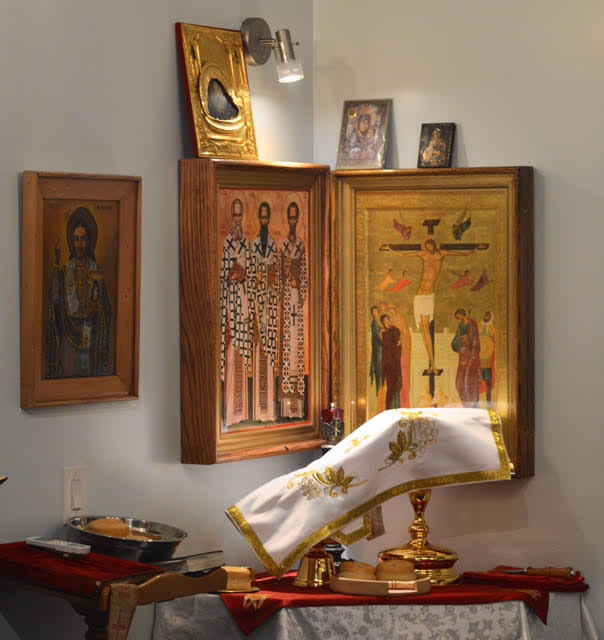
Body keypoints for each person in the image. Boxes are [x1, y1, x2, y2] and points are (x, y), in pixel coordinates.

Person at [386, 238, 487, 374]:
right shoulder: (423, 254)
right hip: (418, 296)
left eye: (430, 246)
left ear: (434, 245)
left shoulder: (441, 254)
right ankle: (432, 365)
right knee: (423, 330)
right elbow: (405, 254)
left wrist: (475, 248)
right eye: (427, 247)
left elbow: (461, 253)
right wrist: (391, 249)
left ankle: (433, 365)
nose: (429, 249)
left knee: (426, 330)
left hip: (428, 297)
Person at [46, 207, 112, 379]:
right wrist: (55, 289)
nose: (79, 244)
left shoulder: (96, 270)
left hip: (90, 334)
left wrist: (98, 307)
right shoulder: (64, 272)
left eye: (83, 239)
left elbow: (105, 308)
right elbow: (56, 305)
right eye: (76, 239)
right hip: (68, 337)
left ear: (89, 241)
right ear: (71, 242)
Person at [220, 198, 253, 425]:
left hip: (243, 302)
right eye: (235, 215)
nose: (237, 219)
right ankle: (231, 411)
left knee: (242, 355)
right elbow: (223, 275)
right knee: (231, 355)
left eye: (240, 215)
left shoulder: (247, 244)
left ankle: (242, 412)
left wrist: (242, 275)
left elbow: (251, 273)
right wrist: (231, 273)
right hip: (231, 304)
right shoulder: (226, 243)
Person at [250, 202, 280, 422]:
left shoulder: (273, 245)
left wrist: (270, 277)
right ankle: (258, 411)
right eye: (261, 218)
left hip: (270, 307)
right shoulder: (253, 245)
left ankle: (269, 410)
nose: (263, 221)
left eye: (266, 218)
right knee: (258, 353)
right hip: (256, 304)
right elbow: (250, 274)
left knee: (269, 357)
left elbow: (277, 276)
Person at [279, 202, 308, 418]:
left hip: (296, 302)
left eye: (295, 218)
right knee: (287, 349)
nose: (292, 221)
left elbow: (305, 274)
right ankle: (286, 409)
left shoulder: (301, 245)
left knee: (296, 349)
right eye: (289, 217)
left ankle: (297, 410)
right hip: (286, 302)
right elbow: (278, 276)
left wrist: (299, 285)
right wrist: (287, 278)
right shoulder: (282, 246)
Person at [451, 308, 481, 406]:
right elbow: (455, 341)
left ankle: (472, 405)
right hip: (462, 357)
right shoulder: (460, 326)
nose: (459, 318)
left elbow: (475, 340)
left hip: (471, 357)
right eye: (457, 317)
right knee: (459, 383)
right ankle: (466, 403)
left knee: (470, 382)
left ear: (462, 314)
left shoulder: (472, 324)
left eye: (459, 316)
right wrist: (458, 341)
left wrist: (472, 357)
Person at [380, 314, 402, 409]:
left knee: (398, 385)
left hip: (396, 362)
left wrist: (397, 343)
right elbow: (389, 344)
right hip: (388, 363)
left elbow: (396, 340)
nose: (387, 322)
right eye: (385, 321)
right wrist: (397, 343)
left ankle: (395, 406)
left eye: (388, 320)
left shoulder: (395, 330)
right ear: (383, 323)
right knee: (390, 386)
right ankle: (388, 407)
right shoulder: (384, 333)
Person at [478, 310, 496, 402]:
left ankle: (489, 400)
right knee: (479, 380)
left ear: (491, 317)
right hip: (480, 357)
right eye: (485, 315)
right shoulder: (479, 325)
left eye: (488, 316)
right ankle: (477, 401)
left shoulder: (492, 328)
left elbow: (494, 341)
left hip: (488, 357)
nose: (486, 317)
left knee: (488, 380)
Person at [369, 306, 383, 396]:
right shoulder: (374, 323)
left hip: (381, 349)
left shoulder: (379, 321)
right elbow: (378, 337)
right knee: (379, 372)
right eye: (374, 311)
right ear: (373, 313)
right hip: (378, 350)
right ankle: (380, 394)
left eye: (377, 311)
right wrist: (387, 343)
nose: (376, 312)